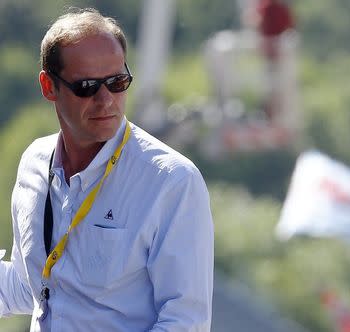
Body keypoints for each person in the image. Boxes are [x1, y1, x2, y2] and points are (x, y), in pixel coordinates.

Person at [0, 7, 214, 331]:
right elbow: (28, 284)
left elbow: (185, 322)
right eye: (86, 86)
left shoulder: (173, 181)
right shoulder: (33, 163)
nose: (106, 100)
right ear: (48, 86)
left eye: (117, 82)